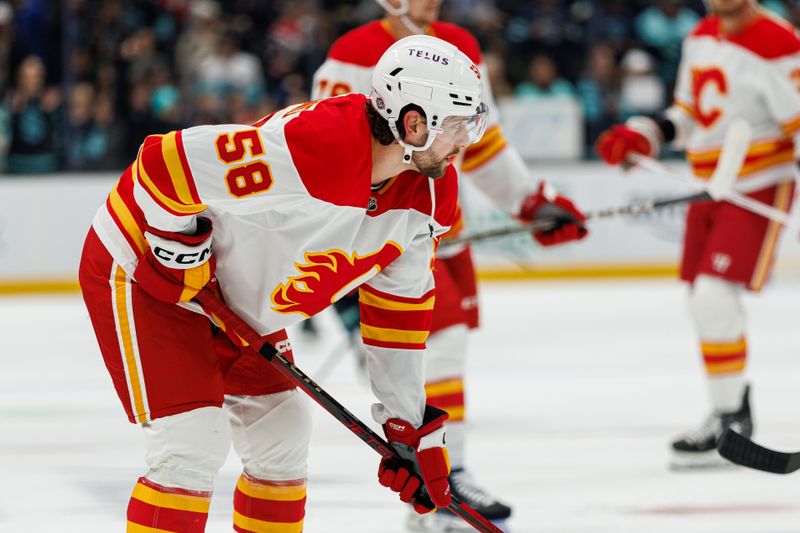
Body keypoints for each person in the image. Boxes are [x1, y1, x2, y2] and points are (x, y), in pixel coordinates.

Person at [79, 35, 497, 532]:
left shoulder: (429, 195)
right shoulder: (315, 145)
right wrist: (179, 245)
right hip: (148, 274)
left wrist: (408, 428)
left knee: (283, 439)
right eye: (456, 126)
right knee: (190, 447)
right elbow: (164, 164)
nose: (465, 142)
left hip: (237, 303)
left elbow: (398, 319)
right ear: (414, 123)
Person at [312, 0, 589, 529]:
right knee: (434, 348)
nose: (431, 3)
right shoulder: (352, 53)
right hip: (388, 231)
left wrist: (532, 200)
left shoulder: (460, 43)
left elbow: (477, 144)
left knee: (449, 350)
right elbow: (335, 144)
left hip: (442, 227)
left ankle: (447, 479)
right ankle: (443, 484)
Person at [596, 0, 800, 469]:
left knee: (713, 294)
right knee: (701, 301)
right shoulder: (700, 36)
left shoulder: (778, 42)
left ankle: (729, 415)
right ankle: (729, 409)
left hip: (757, 185)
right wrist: (644, 134)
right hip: (707, 186)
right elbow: (687, 113)